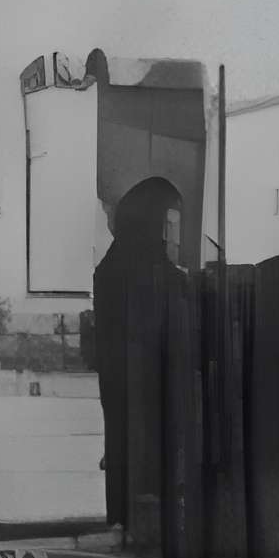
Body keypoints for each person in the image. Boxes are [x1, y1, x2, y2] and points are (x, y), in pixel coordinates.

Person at [89, 179, 185, 533]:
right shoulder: (146, 271)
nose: (172, 233)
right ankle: (142, 520)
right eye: (168, 222)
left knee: (125, 442)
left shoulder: (114, 266)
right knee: (144, 445)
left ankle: (126, 518)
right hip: (141, 375)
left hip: (123, 376)